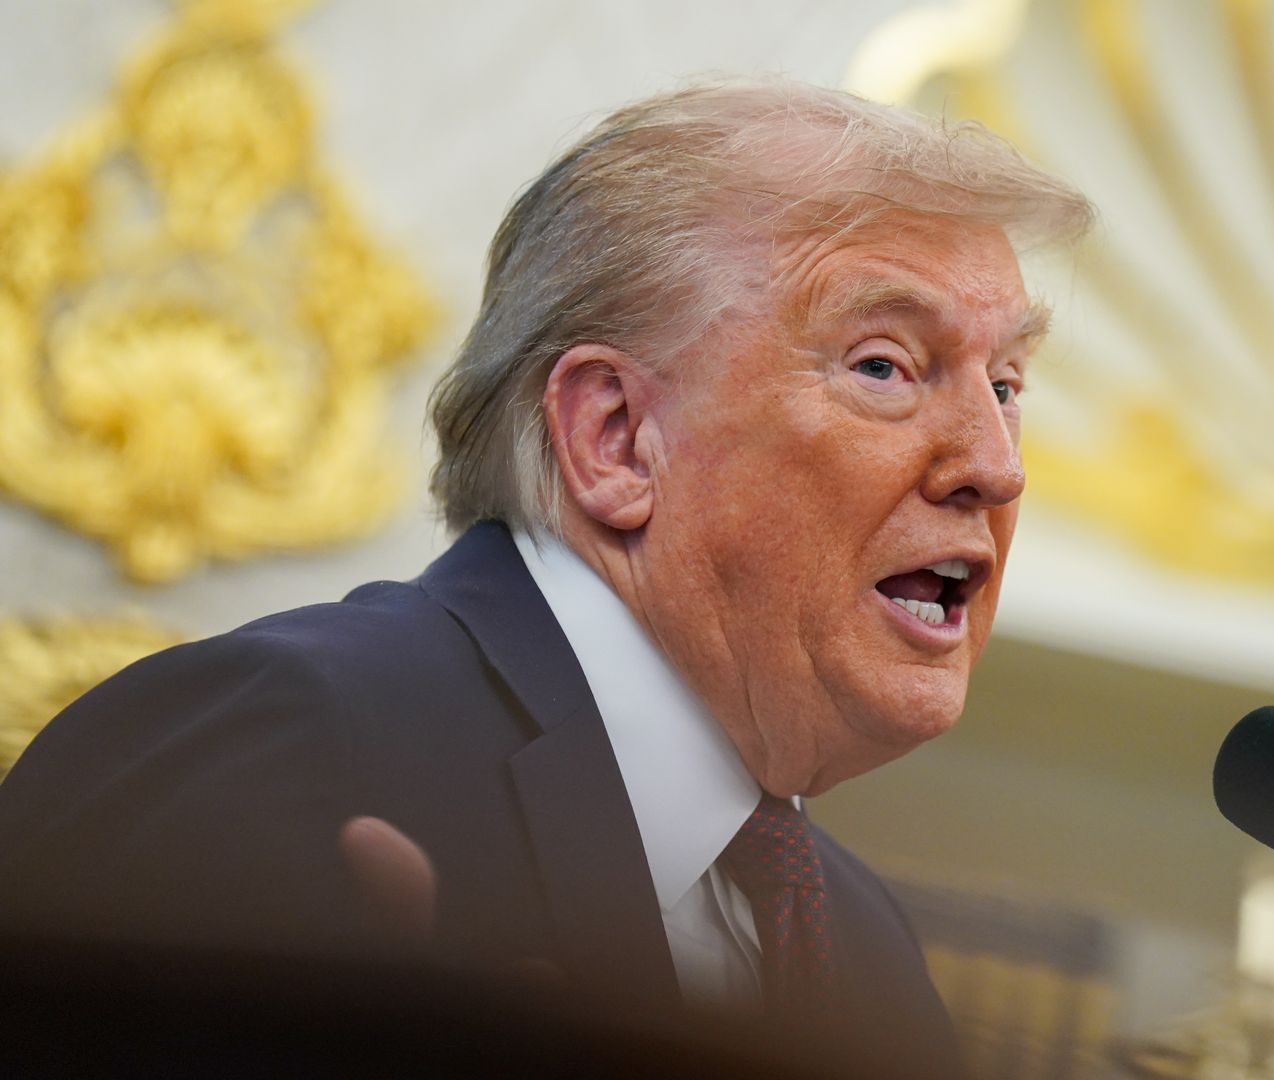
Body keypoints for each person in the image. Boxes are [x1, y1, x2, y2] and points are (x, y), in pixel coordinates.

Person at [0, 75, 1092, 1075]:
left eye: (1005, 385)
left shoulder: (868, 961)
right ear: (614, 439)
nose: (996, 468)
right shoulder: (283, 751)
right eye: (885, 366)